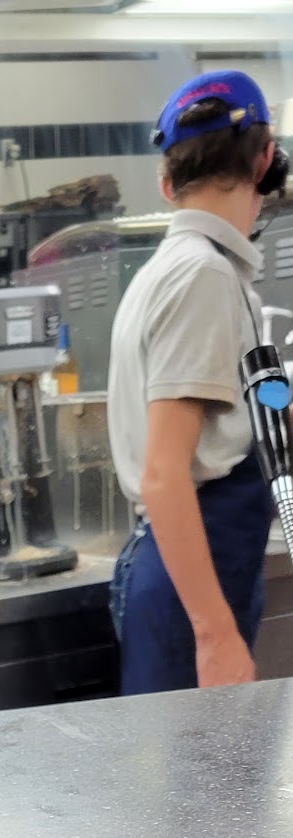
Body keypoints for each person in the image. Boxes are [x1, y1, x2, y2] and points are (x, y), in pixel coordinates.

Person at [108, 70, 289, 694]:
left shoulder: (202, 272)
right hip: (192, 578)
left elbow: (246, 405)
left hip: (192, 567)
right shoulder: (201, 279)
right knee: (190, 762)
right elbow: (165, 473)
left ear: (167, 184)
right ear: (266, 159)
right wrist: (215, 636)